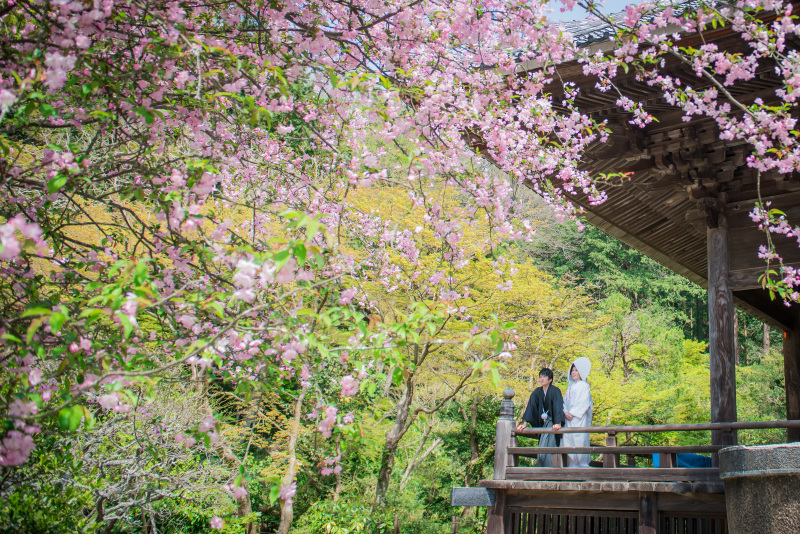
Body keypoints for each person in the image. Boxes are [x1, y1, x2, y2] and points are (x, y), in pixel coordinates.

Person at [516, 368, 565, 467]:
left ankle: (551, 470)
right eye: (540, 377)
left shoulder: (555, 391)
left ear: (550, 379)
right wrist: (525, 424)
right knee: (542, 447)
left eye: (544, 377)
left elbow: (558, 406)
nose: (542, 379)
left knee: (551, 446)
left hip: (552, 423)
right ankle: (542, 468)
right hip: (543, 424)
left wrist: (558, 423)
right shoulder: (537, 392)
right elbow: (531, 407)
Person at [562, 357, 593, 468]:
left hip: (579, 419)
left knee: (580, 440)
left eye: (576, 370)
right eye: (572, 370)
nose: (574, 372)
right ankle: (572, 466)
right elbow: (565, 401)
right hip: (569, 419)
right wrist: (565, 412)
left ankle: (582, 466)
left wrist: (573, 413)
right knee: (568, 441)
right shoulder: (570, 387)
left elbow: (584, 402)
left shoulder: (584, 386)